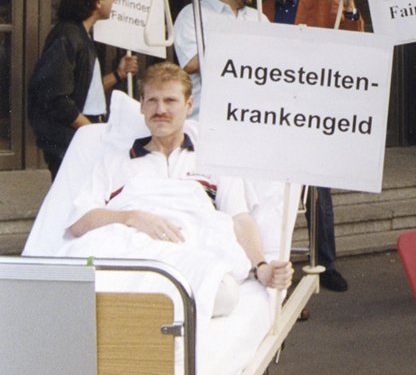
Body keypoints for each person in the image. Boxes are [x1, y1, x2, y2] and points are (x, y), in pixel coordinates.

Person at [65, 62, 291, 319]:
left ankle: (140, 309)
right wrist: (131, 217)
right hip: (130, 249)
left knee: (223, 295)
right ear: (141, 105)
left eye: (170, 101)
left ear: (188, 105)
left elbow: (239, 218)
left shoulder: (212, 158)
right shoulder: (115, 159)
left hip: (190, 251)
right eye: (152, 101)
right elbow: (79, 222)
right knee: (80, 285)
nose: (160, 110)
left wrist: (260, 266)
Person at [264, 0, 363, 293]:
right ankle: (277, 260)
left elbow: (354, 42)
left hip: (313, 111)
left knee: (319, 193)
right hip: (274, 112)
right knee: (275, 194)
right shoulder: (262, 11)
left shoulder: (328, 3)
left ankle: (326, 263)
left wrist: (349, 8)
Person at [28, 0, 138, 178]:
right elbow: (56, 98)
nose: (113, 1)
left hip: (81, 132)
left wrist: (118, 74)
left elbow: (85, 91)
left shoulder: (80, 35)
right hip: (71, 136)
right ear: (97, 2)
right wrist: (90, 131)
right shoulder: (68, 36)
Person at [172, 0, 265, 115]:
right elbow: (190, 63)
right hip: (205, 118)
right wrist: (243, 43)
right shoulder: (192, 14)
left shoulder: (257, 17)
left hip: (250, 115)